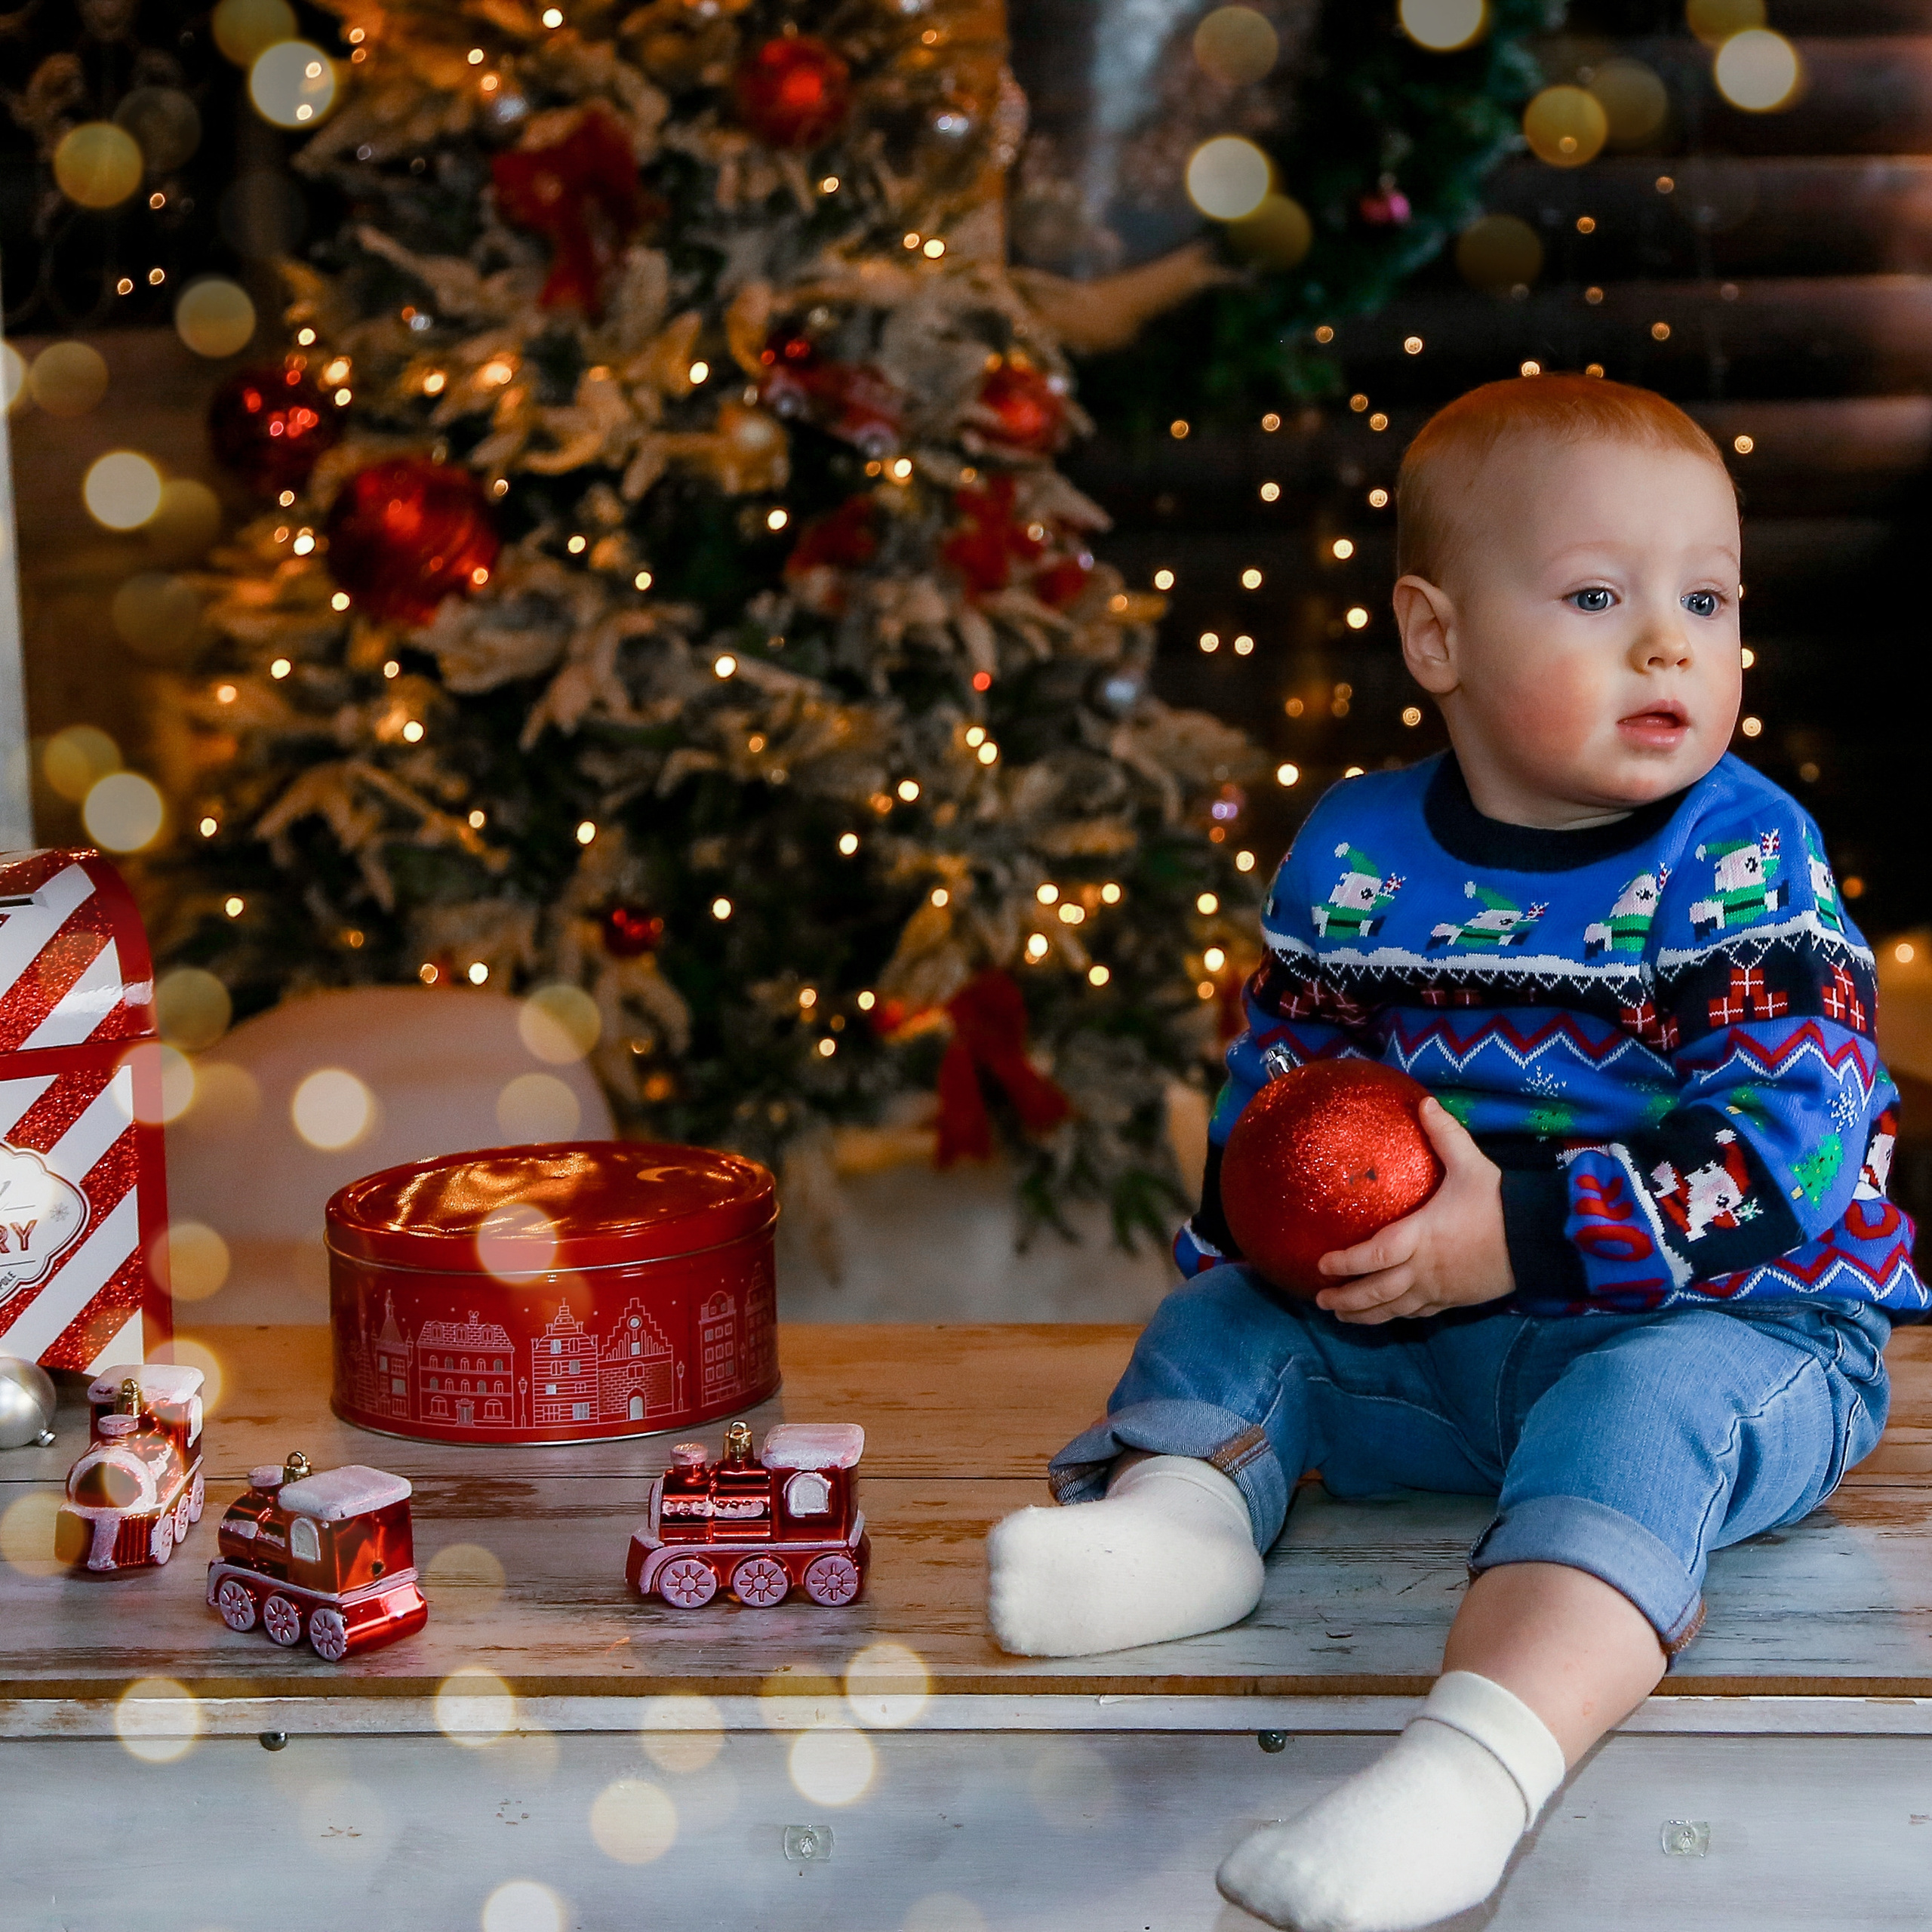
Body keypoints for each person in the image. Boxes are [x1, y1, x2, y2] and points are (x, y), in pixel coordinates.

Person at [983, 374, 1919, 1932]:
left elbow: (1795, 1149)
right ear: (1435, 639)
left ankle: (1473, 1765)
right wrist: (1285, 1228)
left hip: (1729, 1322)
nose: (1665, 641)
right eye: (1592, 595)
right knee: (1223, 1318)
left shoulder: (1742, 854)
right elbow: (1274, 1093)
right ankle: (1181, 1522)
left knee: (1637, 1413)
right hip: (1416, 1343)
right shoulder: (1350, 853)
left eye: (1703, 597)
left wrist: (1523, 1236)